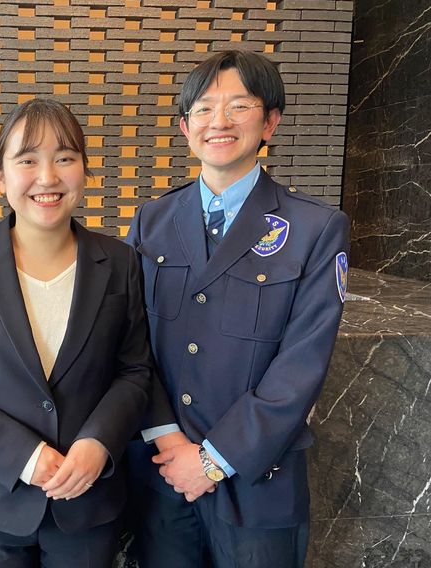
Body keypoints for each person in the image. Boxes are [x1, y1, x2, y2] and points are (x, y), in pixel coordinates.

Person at [0, 99, 169, 567]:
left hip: (88, 500)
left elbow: (134, 371)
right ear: (1, 177)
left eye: (64, 158)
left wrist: (99, 443)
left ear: (84, 171)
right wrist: (24, 455)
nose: (47, 177)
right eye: (27, 160)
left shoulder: (120, 261)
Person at [125, 50, 350, 567]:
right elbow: (131, 341)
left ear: (270, 122)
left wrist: (212, 460)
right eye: (204, 108)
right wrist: (167, 438)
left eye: (239, 106)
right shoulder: (152, 220)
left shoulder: (315, 227)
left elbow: (302, 363)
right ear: (186, 127)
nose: (219, 121)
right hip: (164, 476)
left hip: (258, 480)